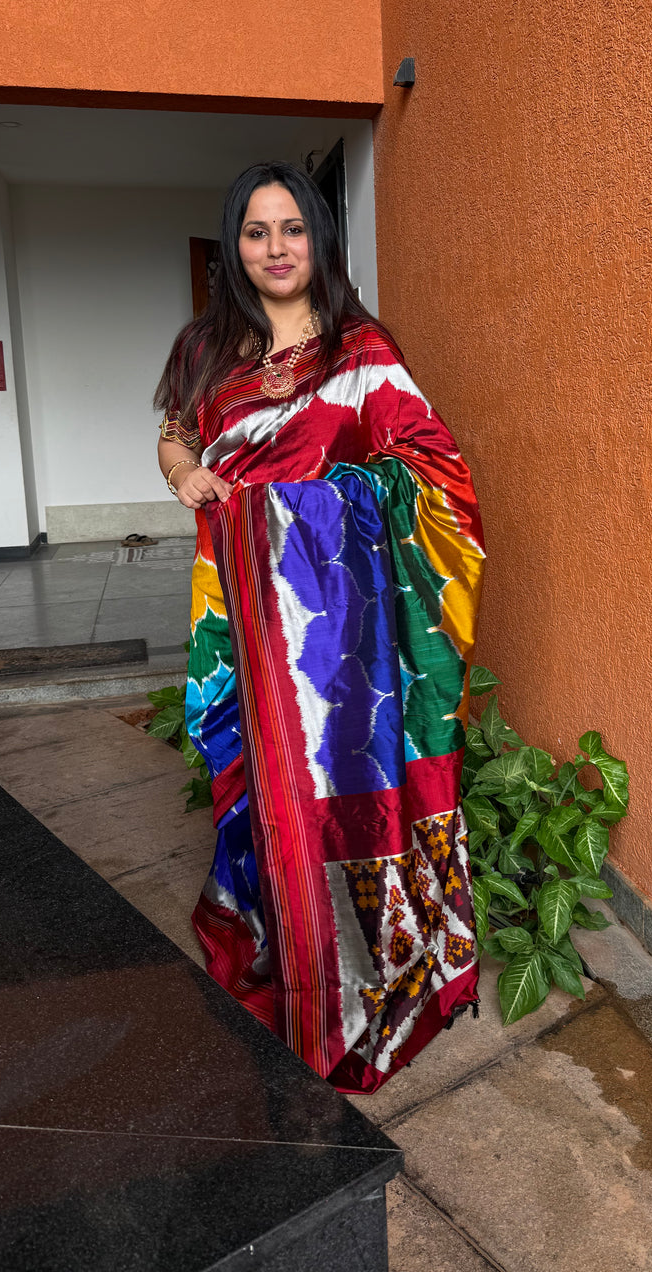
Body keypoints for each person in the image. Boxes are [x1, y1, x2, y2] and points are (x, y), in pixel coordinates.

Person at [154, 162, 485, 1093]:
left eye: (293, 229)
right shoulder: (206, 347)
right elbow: (176, 430)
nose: (276, 249)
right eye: (257, 233)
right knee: (259, 787)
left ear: (320, 239)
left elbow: (437, 476)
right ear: (236, 247)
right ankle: (284, 940)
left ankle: (363, 967)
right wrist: (183, 473)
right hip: (242, 617)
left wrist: (306, 510)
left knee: (347, 784)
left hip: (342, 638)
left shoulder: (361, 349)